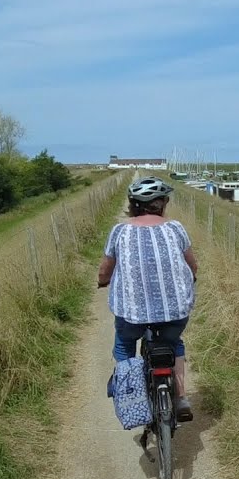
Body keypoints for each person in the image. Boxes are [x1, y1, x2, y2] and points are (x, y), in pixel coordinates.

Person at [97, 178, 198, 421]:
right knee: (174, 343)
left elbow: (106, 268)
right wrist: (192, 277)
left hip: (132, 314)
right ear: (163, 203)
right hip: (174, 312)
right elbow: (191, 264)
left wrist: (103, 281)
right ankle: (181, 397)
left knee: (124, 343)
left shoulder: (120, 231)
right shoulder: (176, 228)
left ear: (133, 205)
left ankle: (131, 395)